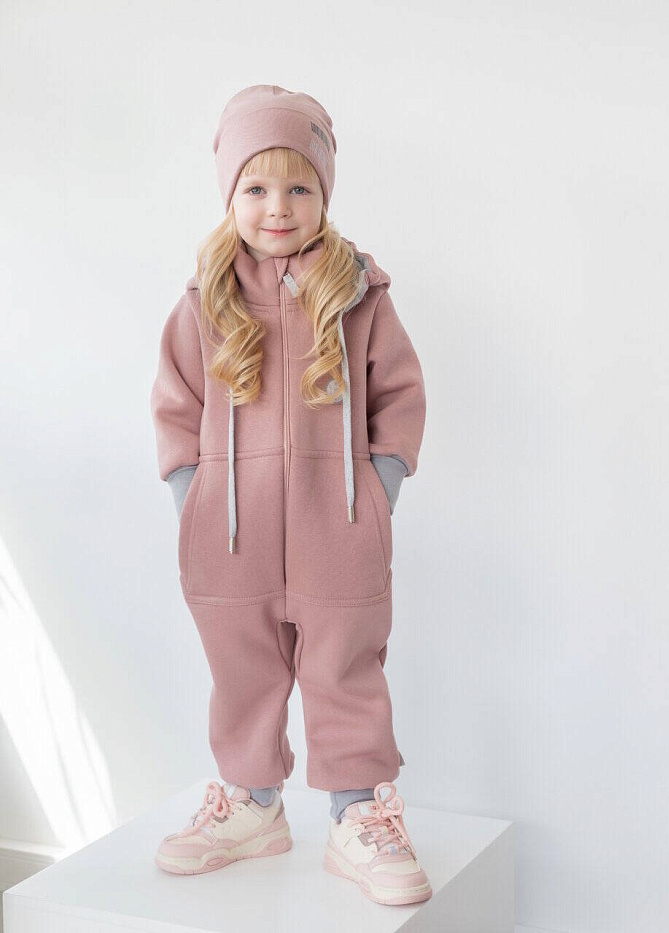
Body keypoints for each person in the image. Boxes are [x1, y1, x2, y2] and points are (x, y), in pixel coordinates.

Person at [150, 84, 430, 906]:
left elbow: (400, 398)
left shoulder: (359, 293)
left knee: (346, 669)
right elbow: (174, 408)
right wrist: (194, 498)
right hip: (227, 539)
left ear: (326, 193)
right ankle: (251, 805)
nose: (278, 206)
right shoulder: (204, 299)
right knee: (240, 670)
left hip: (338, 528)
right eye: (257, 187)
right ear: (230, 194)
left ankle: (357, 815)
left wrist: (375, 494)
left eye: (299, 186)